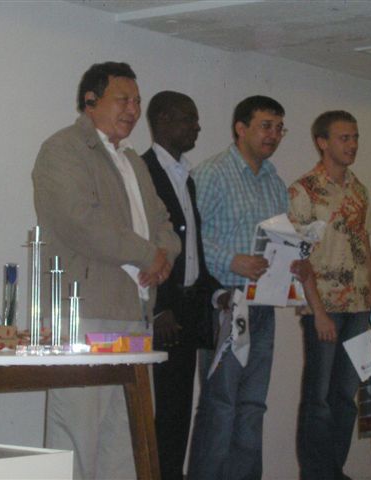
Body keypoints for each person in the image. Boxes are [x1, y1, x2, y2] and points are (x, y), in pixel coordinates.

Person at [32, 62, 180, 479]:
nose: (133, 109)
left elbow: (164, 222)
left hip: (134, 313)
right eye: (123, 100)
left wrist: (163, 256)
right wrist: (147, 254)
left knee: (126, 438)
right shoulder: (62, 149)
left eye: (137, 101)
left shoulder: (132, 160)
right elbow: (81, 221)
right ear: (90, 101)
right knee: (77, 435)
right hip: (84, 314)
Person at [187, 95, 311, 480]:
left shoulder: (275, 182)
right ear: (240, 129)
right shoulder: (212, 173)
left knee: (253, 405)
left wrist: (293, 261)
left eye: (279, 128)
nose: (273, 135)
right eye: (265, 126)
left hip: (263, 305)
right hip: (226, 303)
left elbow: (278, 241)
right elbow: (190, 239)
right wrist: (233, 260)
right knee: (221, 403)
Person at [141, 90, 227, 480]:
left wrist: (216, 291)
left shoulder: (185, 177)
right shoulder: (144, 172)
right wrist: (159, 306)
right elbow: (143, 244)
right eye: (188, 118)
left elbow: (192, 249)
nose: (197, 126)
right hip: (164, 310)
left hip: (190, 307)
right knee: (163, 410)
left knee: (179, 410)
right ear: (162, 120)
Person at [288, 110, 371, 480]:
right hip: (323, 306)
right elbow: (299, 258)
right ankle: (316, 474)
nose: (352, 144)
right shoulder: (304, 190)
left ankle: (333, 472)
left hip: (359, 307)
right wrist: (318, 311)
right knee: (319, 398)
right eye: (344, 138)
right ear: (322, 142)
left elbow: (365, 247)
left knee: (346, 396)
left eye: (355, 137)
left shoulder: (359, 189)